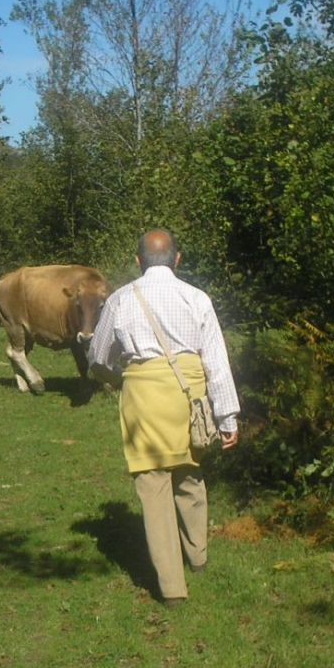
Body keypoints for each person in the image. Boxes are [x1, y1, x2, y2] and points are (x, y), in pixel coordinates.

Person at [87, 229, 240, 606]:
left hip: (142, 400)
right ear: (178, 259)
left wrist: (114, 377)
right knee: (190, 473)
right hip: (189, 398)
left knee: (154, 487)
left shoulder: (121, 299)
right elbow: (216, 362)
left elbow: (97, 357)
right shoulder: (197, 298)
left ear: (138, 261)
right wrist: (228, 418)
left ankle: (172, 589)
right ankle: (198, 555)